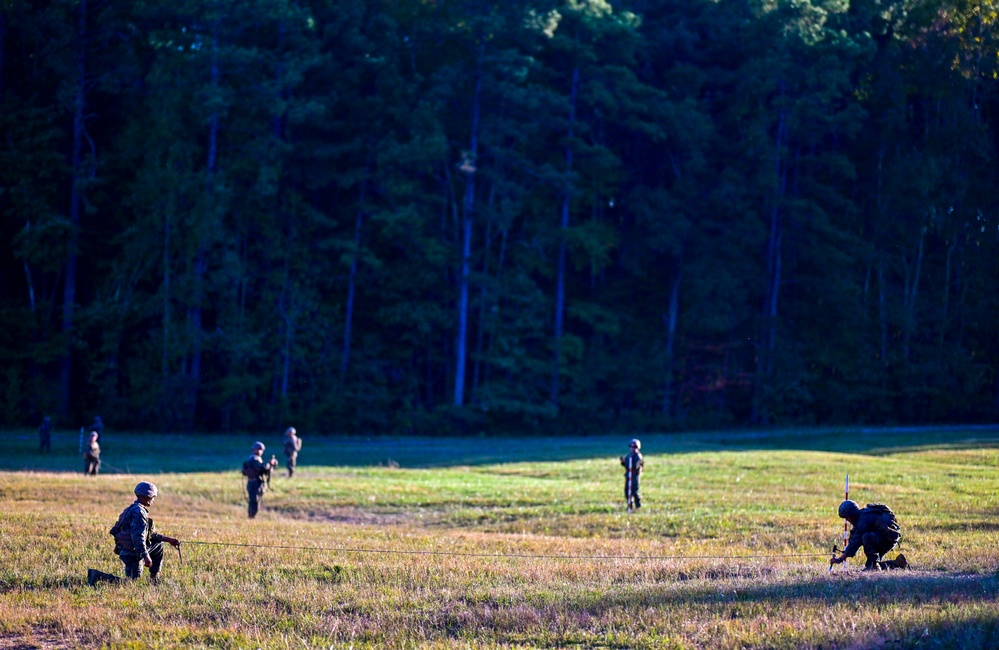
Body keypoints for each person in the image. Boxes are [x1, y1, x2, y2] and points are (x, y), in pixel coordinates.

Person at [93, 481, 180, 585]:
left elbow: (149, 535)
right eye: (152, 497)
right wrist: (146, 556)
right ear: (145, 496)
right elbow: (137, 537)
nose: (153, 500)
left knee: (158, 546)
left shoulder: (134, 509)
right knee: (132, 582)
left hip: (131, 549)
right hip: (131, 552)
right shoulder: (139, 513)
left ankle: (154, 579)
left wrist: (169, 540)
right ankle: (97, 576)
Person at [830, 500, 907, 571]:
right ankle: (898, 563)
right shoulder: (862, 515)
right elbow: (854, 538)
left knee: (866, 538)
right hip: (885, 537)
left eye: (847, 518)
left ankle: (875, 566)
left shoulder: (862, 521)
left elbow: (854, 543)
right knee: (869, 565)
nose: (847, 520)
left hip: (887, 539)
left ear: (852, 516)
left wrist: (840, 559)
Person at [242, 441, 278, 518]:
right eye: (258, 449)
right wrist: (269, 464)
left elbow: (264, 470)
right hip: (254, 483)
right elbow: (261, 468)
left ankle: (252, 516)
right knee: (254, 500)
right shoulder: (254, 459)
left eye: (261, 450)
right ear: (253, 450)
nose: (259, 451)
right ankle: (251, 517)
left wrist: (271, 465)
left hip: (257, 482)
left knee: (256, 500)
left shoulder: (257, 459)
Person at [619, 438, 644, 510]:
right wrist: (623, 461)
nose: (633, 448)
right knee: (627, 491)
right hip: (628, 475)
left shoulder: (638, 456)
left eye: (635, 447)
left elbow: (634, 466)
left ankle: (638, 505)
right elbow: (626, 465)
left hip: (635, 476)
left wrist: (626, 462)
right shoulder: (629, 455)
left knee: (635, 491)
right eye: (631, 447)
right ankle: (630, 504)